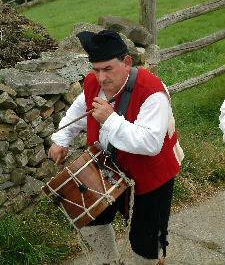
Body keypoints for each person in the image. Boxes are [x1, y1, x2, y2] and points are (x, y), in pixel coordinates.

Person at [48, 30, 184, 265]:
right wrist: (61, 139)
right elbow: (79, 112)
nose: (101, 78)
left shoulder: (152, 91)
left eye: (108, 69)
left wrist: (110, 120)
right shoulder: (93, 82)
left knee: (146, 242)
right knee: (91, 218)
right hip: (109, 168)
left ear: (127, 62)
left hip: (153, 174)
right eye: (96, 69)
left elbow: (151, 144)